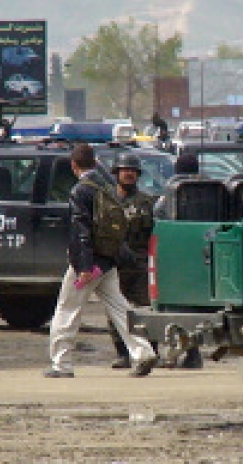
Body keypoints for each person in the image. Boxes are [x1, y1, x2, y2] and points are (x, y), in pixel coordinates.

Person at [46, 144, 158, 378]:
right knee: (121, 308)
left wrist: (83, 266)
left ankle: (61, 365)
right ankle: (143, 352)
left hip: (88, 264)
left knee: (67, 310)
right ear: (95, 162)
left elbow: (81, 230)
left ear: (74, 165)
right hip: (108, 261)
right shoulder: (107, 186)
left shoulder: (80, 191)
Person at [147, 152, 205, 369]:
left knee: (171, 306)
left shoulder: (171, 191)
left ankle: (174, 353)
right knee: (193, 306)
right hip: (201, 255)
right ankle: (193, 354)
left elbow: (158, 218)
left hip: (173, 255)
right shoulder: (209, 190)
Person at [106, 153, 158, 369]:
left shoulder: (147, 202)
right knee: (115, 311)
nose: (128, 174)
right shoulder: (106, 201)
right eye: (124, 170)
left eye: (132, 170)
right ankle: (123, 353)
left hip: (140, 262)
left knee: (145, 309)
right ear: (116, 172)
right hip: (115, 262)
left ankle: (151, 350)